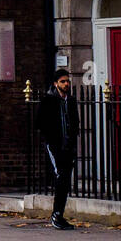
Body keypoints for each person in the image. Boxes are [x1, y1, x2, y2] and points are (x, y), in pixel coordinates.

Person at [38, 68, 79, 230]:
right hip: (55, 145)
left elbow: (75, 122)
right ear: (56, 84)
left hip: (68, 145)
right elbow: (40, 123)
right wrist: (51, 138)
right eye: (62, 81)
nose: (66, 84)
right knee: (61, 177)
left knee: (66, 180)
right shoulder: (48, 100)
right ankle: (56, 215)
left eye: (67, 81)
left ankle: (59, 215)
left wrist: (73, 137)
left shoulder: (71, 101)